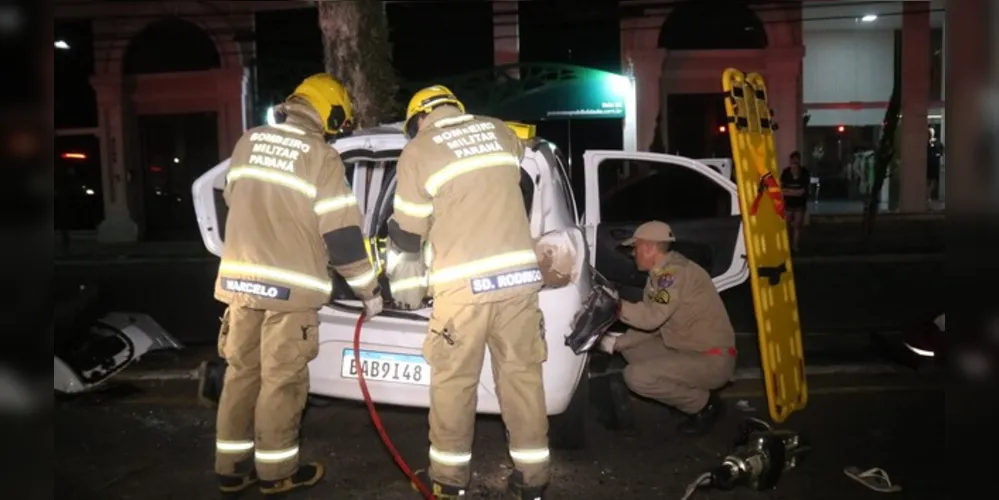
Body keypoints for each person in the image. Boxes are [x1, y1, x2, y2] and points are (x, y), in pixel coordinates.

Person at [212, 73, 383, 497]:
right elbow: (341, 233)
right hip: (288, 294)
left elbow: (233, 199)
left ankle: (231, 468)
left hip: (239, 284)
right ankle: (277, 473)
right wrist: (368, 291)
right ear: (329, 110)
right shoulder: (319, 156)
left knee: (240, 374)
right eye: (338, 120)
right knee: (282, 382)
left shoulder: (248, 141)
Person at [385, 85, 550, 499]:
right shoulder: (497, 130)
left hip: (463, 289)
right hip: (517, 282)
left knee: (454, 383)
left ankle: (447, 481)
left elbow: (407, 233)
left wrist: (406, 293)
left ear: (418, 120)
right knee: (522, 379)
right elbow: (510, 167)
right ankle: (533, 479)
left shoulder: (420, 151)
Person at [599, 221, 736, 436]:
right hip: (686, 348)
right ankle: (682, 392)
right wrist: (617, 344)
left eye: (636, 248)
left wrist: (616, 306)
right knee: (631, 349)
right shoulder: (661, 274)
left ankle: (704, 405)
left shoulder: (672, 276)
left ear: (649, 247)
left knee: (636, 376)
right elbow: (654, 323)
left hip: (711, 359)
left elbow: (652, 318)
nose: (633, 253)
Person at [780, 151, 811, 252]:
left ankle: (795, 245)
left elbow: (801, 191)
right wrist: (793, 192)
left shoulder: (804, 172)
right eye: (792, 163)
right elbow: (782, 190)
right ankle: (786, 245)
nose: (793, 166)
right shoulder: (786, 172)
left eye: (796, 163)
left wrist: (790, 191)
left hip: (799, 204)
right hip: (788, 204)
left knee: (797, 226)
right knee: (786, 225)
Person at [926, 126, 944, 203]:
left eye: (930, 133)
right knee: (927, 180)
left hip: (934, 163)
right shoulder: (925, 142)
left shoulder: (937, 142)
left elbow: (941, 151)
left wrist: (938, 155)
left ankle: (928, 195)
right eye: (928, 133)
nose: (929, 134)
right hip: (927, 163)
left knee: (933, 181)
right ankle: (927, 196)